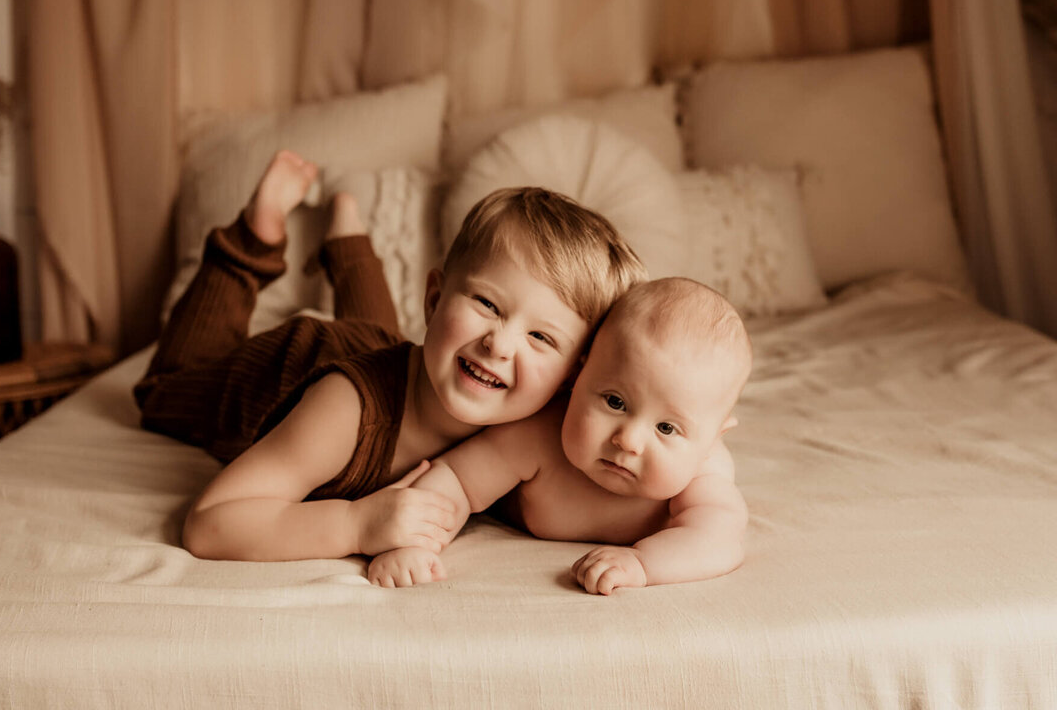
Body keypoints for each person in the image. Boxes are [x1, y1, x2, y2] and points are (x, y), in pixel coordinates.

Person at [133, 150, 648, 563]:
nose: (499, 343)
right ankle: (254, 236)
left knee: (376, 331)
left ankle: (348, 240)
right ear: (433, 300)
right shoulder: (342, 413)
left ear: (570, 380)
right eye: (487, 304)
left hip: (390, 349)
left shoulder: (545, 423)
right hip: (292, 367)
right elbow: (210, 522)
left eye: (542, 338)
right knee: (163, 392)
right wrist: (356, 525)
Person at [366, 277, 753, 594]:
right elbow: (457, 480)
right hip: (383, 369)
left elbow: (719, 539)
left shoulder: (703, 475)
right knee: (373, 351)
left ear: (713, 437)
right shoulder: (540, 435)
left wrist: (643, 564)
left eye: (666, 428)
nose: (629, 441)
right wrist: (412, 542)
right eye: (615, 401)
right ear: (577, 378)